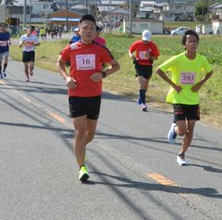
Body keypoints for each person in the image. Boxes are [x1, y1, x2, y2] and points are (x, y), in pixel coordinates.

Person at [56, 14, 121, 183]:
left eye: (92, 28)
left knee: (90, 134)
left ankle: (80, 149)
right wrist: (66, 78)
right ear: (79, 30)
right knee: (79, 130)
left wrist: (103, 74)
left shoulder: (100, 49)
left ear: (96, 32)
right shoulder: (71, 48)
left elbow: (116, 65)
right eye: (85, 28)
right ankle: (82, 167)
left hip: (94, 95)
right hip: (76, 94)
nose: (89, 31)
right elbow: (60, 63)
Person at [155, 30, 213, 166]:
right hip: (179, 98)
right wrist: (174, 86)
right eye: (190, 41)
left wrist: (199, 84)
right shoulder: (178, 59)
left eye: (195, 41)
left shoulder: (201, 60)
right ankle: (175, 130)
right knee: (182, 131)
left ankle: (181, 154)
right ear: (184, 44)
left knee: (191, 129)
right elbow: (159, 70)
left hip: (193, 99)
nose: (193, 43)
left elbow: (209, 72)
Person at [128, 30, 161, 111]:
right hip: (139, 65)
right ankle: (144, 104)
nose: (145, 41)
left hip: (148, 66)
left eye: (147, 40)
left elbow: (156, 57)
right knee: (141, 81)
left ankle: (141, 95)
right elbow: (130, 50)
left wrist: (149, 56)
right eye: (144, 40)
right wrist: (131, 55)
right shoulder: (137, 43)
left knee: (145, 85)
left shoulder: (153, 45)